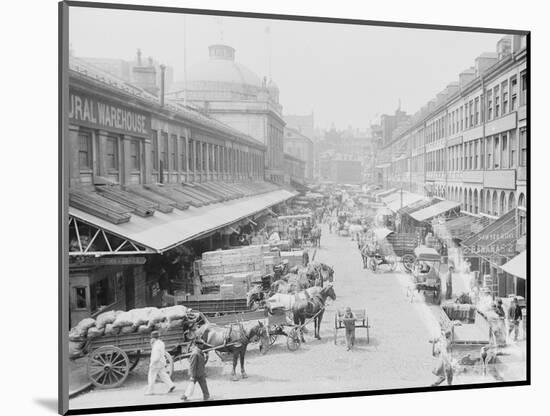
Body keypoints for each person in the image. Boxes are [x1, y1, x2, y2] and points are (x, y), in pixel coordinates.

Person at [145, 331, 176, 395]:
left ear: (153, 338)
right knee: (163, 374)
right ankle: (171, 385)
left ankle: (150, 391)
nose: (151, 339)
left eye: (151, 338)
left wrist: (152, 363)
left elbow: (156, 356)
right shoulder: (161, 343)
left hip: (156, 363)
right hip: (161, 362)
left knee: (151, 376)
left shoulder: (156, 345)